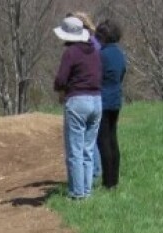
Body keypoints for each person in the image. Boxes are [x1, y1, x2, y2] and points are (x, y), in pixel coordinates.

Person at [54, 16, 102, 200]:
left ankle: (77, 193)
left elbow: (61, 80)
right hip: (97, 100)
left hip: (77, 101)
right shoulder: (95, 51)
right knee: (88, 150)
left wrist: (59, 88)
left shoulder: (71, 53)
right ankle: (87, 192)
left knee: (75, 150)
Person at [96, 19, 127, 189]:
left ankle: (108, 181)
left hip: (103, 100)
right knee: (113, 139)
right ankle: (114, 179)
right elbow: (122, 73)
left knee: (103, 141)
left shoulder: (102, 55)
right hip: (116, 99)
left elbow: (96, 75)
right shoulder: (120, 54)